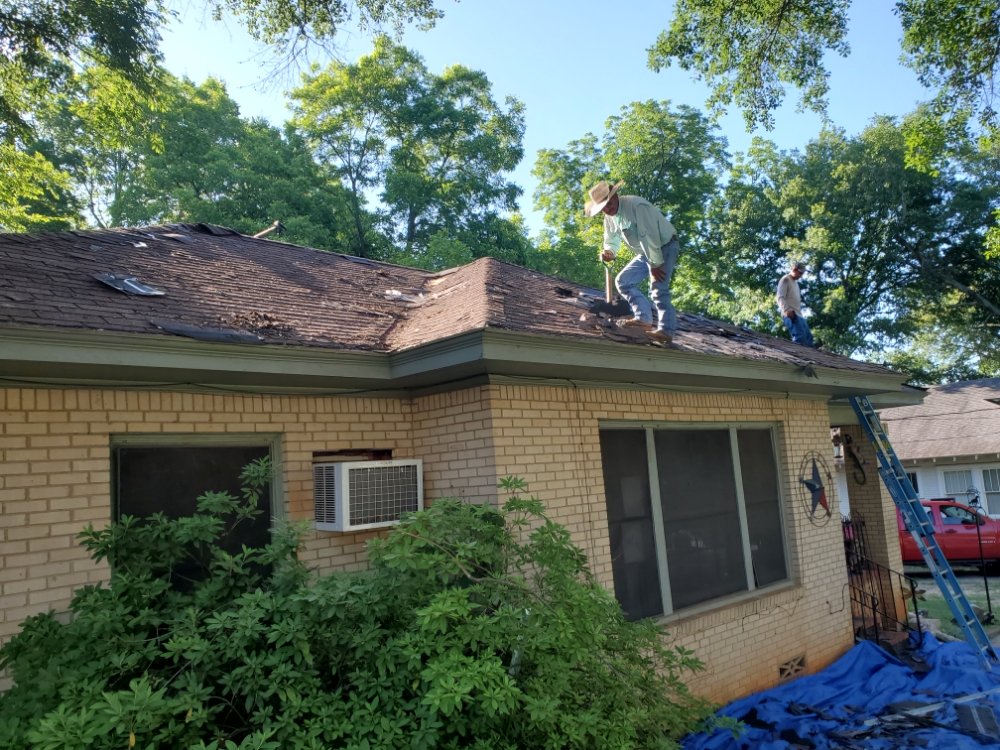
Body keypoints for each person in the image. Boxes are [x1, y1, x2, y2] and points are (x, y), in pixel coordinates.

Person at [585, 180, 680, 345]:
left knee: (658, 288)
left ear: (615, 195)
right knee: (623, 281)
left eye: (609, 203)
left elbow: (648, 236)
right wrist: (609, 252)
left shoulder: (636, 206)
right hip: (646, 251)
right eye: (603, 208)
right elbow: (611, 239)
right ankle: (643, 319)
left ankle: (666, 330)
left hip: (663, 246)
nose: (608, 209)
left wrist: (656, 264)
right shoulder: (609, 218)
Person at [776, 261, 815, 347]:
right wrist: (787, 310)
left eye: (802, 273)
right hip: (791, 314)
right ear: (794, 269)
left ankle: (810, 358)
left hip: (799, 315)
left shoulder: (796, 284)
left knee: (809, 338)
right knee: (800, 337)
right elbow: (780, 297)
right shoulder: (785, 279)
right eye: (800, 273)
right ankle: (798, 357)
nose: (801, 275)